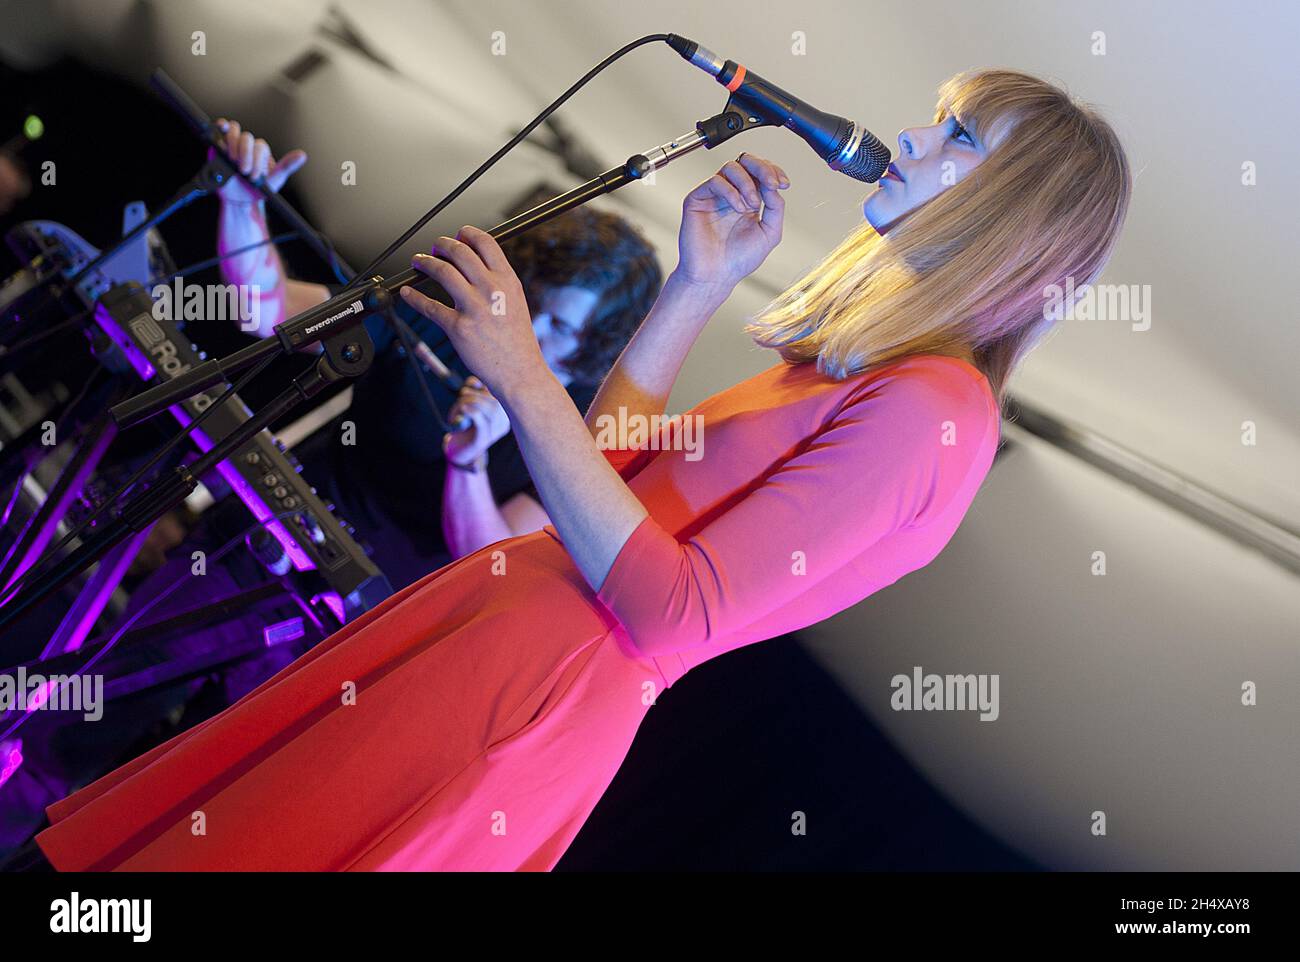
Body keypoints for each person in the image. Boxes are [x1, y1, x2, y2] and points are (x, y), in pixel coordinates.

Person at [33, 69, 1130, 871]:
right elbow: (609, 466)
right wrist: (693, 289)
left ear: (1009, 219)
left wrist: (518, 367)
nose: (908, 137)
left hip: (535, 681)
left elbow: (672, 612)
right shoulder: (859, 369)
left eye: (955, 141)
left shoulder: (936, 411)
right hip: (497, 633)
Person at [210, 119, 662, 587]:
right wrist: (244, 207)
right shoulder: (443, 313)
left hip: (359, 611)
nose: (532, 328)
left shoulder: (589, 424)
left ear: (596, 343)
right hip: (258, 536)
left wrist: (468, 460)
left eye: (562, 327)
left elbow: (490, 562)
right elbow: (269, 309)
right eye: (531, 304)